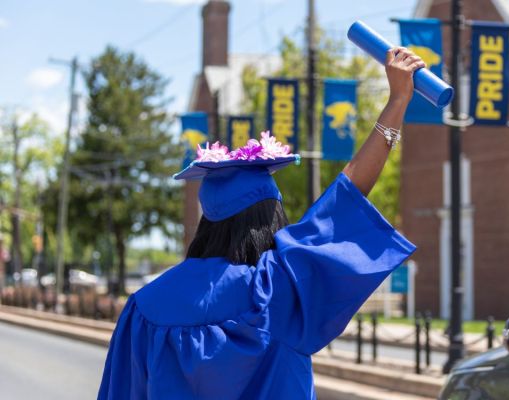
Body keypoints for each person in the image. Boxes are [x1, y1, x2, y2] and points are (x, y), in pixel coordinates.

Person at [98, 46, 425, 400]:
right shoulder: (277, 290)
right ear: (270, 223)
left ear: (210, 222)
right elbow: (346, 197)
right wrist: (397, 100)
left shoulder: (144, 307)